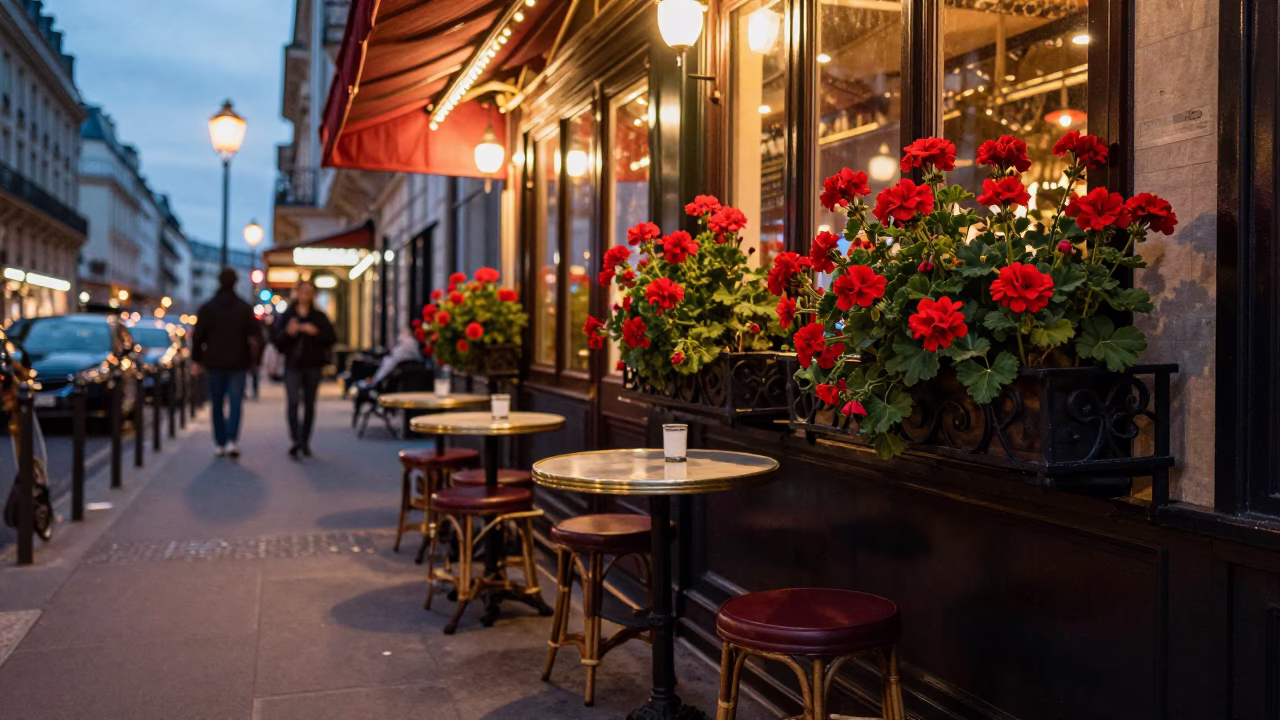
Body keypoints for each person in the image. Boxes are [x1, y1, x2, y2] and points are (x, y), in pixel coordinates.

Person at [191, 268, 258, 457]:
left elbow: (198, 337)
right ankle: (231, 440)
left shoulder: (208, 308)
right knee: (236, 402)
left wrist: (197, 360)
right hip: (238, 361)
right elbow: (256, 334)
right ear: (236, 282)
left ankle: (219, 442)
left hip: (214, 362)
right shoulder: (244, 308)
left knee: (217, 403)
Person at [272, 280, 336, 459]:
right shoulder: (288, 315)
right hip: (292, 365)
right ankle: (295, 439)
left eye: (309, 292)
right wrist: (288, 332)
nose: (305, 296)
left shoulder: (319, 316)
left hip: (313, 365)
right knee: (292, 402)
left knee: (309, 404)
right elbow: (276, 340)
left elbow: (331, 337)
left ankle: (305, 440)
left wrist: (314, 332)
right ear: (297, 293)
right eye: (303, 292)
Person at [352, 323, 423, 421]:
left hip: (385, 386)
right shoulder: (411, 348)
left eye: (404, 330)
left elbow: (386, 368)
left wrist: (374, 381)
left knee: (362, 382)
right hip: (389, 384)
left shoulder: (405, 346)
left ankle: (357, 414)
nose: (401, 332)